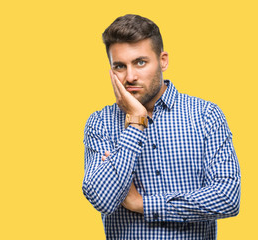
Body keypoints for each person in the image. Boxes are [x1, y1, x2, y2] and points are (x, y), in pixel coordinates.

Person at [82, 14, 240, 239]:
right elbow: (103, 199)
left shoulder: (206, 115)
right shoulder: (100, 123)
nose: (130, 76)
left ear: (163, 60)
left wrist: (143, 204)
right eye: (119, 66)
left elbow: (227, 199)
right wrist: (136, 120)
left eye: (140, 62)